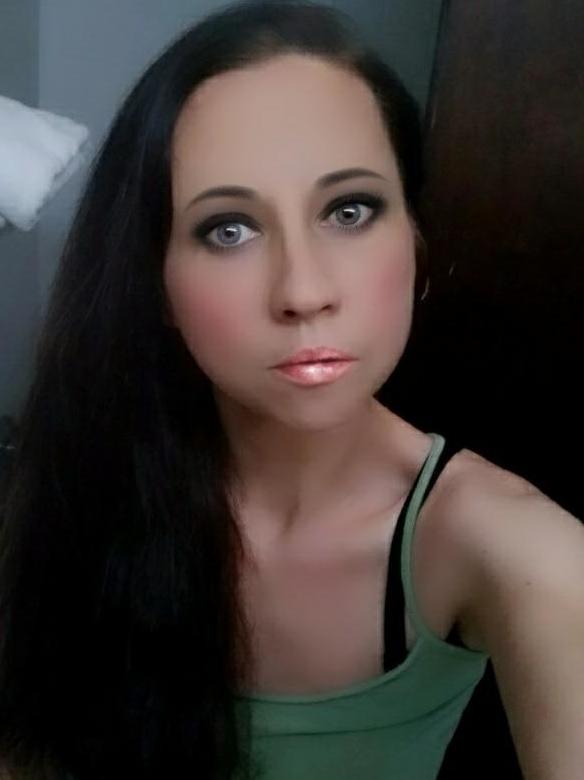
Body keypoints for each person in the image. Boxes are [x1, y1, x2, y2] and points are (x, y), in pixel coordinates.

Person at [1, 1, 582, 778]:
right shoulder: (78, 491)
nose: (303, 292)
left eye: (349, 210)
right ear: (157, 284)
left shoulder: (518, 550)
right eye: (229, 229)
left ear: (414, 238)